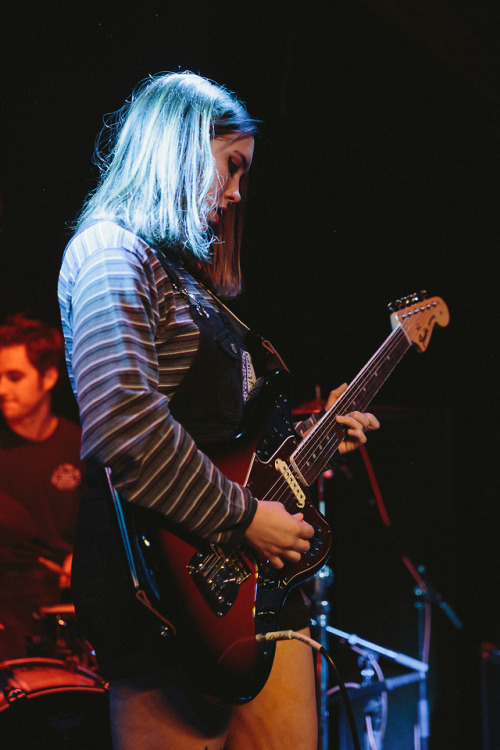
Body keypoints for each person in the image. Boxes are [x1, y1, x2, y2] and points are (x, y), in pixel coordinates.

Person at [58, 72, 380, 750]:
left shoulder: (189, 283)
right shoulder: (111, 253)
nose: (237, 193)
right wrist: (244, 521)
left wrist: (310, 441)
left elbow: (220, 438)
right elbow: (126, 425)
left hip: (252, 594)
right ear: (177, 148)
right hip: (167, 603)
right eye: (231, 167)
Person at [0, 314, 85, 661]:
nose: (2, 389)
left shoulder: (81, 446)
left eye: (14, 377)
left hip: (70, 606)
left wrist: (81, 557)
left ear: (49, 377)